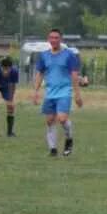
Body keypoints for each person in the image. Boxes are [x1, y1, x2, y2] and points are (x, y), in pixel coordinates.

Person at [34, 29, 85, 158]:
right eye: (51, 37)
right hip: (50, 93)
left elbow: (74, 75)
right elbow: (40, 74)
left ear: (60, 39)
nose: (54, 40)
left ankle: (69, 138)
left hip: (64, 92)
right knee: (50, 121)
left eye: (56, 38)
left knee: (62, 119)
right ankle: (53, 149)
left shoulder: (69, 55)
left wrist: (77, 94)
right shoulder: (44, 55)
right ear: (48, 39)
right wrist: (36, 91)